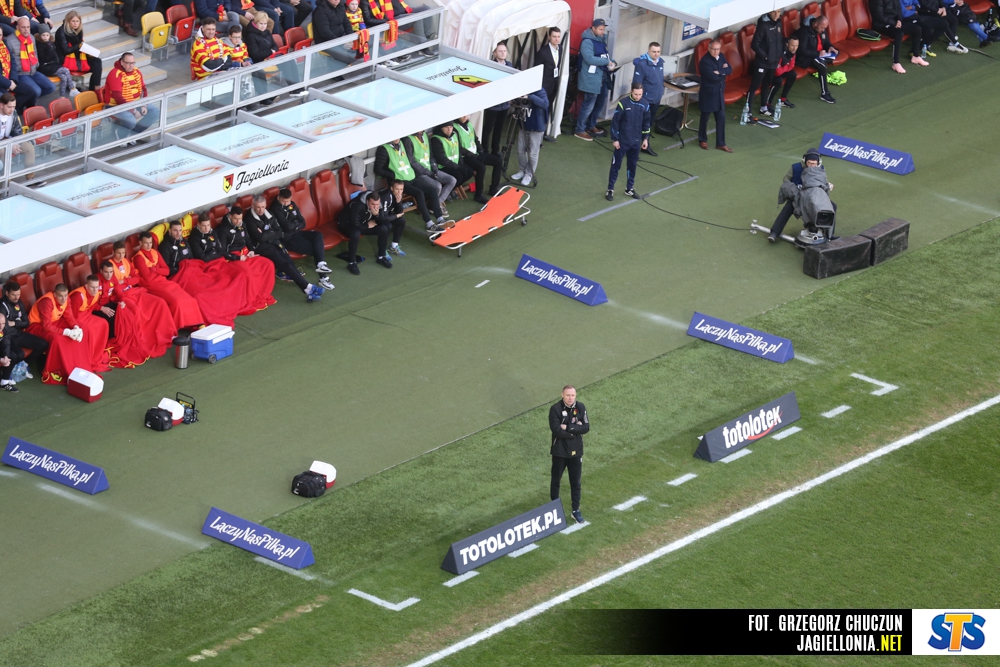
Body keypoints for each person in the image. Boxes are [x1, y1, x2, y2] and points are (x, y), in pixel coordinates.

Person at [189, 212, 277, 316]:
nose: (206, 228)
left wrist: (213, 253)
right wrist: (214, 253)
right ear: (198, 224)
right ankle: (229, 306)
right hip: (208, 266)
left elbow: (220, 250)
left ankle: (243, 301)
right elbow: (202, 257)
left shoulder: (213, 232)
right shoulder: (194, 238)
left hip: (221, 261)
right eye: (204, 226)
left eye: (208, 225)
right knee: (228, 280)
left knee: (241, 274)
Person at [97, 259, 177, 368]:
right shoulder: (96, 281)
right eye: (106, 272)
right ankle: (136, 341)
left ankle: (165, 334)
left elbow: (123, 289)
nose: (109, 274)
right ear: (101, 271)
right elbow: (92, 301)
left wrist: (123, 300)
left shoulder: (116, 273)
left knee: (155, 304)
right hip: (99, 307)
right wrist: (102, 308)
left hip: (119, 298)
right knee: (129, 312)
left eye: (111, 272)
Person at [244, 196, 327, 300]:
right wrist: (271, 233)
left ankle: (307, 290)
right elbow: (260, 238)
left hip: (275, 242)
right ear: (252, 206)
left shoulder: (268, 213)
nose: (261, 210)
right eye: (258, 207)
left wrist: (266, 233)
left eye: (263, 207)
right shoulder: (249, 220)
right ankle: (309, 287)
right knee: (286, 265)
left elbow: (279, 232)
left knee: (289, 262)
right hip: (262, 247)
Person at [133, 233, 206, 329]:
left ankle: (197, 324)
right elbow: (148, 278)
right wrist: (159, 270)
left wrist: (155, 269)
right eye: (146, 243)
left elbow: (167, 271)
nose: (149, 245)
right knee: (177, 302)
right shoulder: (139, 257)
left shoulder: (155, 252)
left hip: (164, 282)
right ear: (140, 243)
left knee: (191, 300)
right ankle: (176, 327)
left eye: (150, 243)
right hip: (151, 285)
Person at [269, 187, 336, 288]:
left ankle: (321, 264)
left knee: (318, 235)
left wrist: (294, 225)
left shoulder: (292, 204)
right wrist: (296, 224)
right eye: (284, 201)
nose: (286, 203)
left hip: (297, 233)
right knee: (316, 249)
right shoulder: (275, 209)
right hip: (288, 239)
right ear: (278, 198)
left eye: (288, 201)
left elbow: (303, 222)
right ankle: (323, 278)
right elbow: (287, 227)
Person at [26, 284, 93, 385]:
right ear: (54, 294)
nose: (63, 299)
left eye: (65, 295)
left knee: (82, 328)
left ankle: (79, 365)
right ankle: (59, 370)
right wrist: (67, 332)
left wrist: (75, 327)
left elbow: (69, 315)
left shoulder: (67, 299)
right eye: (60, 296)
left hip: (54, 321)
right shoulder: (47, 302)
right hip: (36, 326)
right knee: (58, 339)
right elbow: (46, 326)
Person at [374, 137, 445, 231]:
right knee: (419, 193)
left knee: (432, 190)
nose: (397, 138)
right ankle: (429, 224)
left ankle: (440, 218)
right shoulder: (383, 149)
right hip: (399, 182)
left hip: (411, 177)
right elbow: (378, 170)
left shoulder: (402, 143)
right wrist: (394, 175)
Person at [768, 147, 836, 242]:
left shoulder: (821, 169)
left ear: (818, 162)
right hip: (799, 197)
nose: (811, 165)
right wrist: (794, 188)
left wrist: (828, 184)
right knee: (788, 207)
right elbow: (786, 179)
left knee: (832, 206)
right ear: (805, 161)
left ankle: (829, 235)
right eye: (809, 163)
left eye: (814, 163)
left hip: (814, 197)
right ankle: (775, 232)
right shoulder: (795, 167)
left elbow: (823, 181)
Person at [549, 384, 589, 524]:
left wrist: (568, 427)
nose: (570, 398)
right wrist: (575, 430)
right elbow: (556, 430)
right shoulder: (555, 409)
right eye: (567, 395)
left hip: (576, 452)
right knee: (556, 480)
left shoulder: (581, 407)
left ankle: (575, 510)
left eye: (572, 395)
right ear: (562, 395)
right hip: (559, 452)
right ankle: (553, 508)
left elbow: (586, 427)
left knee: (576, 482)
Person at [606, 82, 649, 202]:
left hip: (636, 142)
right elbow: (615, 122)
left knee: (632, 166)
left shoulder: (645, 104)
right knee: (616, 166)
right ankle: (610, 189)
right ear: (631, 92)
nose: (638, 97)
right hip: (622, 142)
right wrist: (615, 139)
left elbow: (646, 123)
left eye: (640, 94)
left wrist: (645, 138)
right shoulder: (623, 103)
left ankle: (629, 188)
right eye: (636, 94)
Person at [574, 18, 615, 141]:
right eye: (600, 29)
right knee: (589, 104)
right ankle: (580, 129)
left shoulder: (601, 40)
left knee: (600, 103)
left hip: (602, 77)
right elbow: (589, 59)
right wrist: (607, 62)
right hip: (591, 78)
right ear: (593, 28)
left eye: (603, 29)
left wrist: (612, 62)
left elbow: (605, 56)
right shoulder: (587, 42)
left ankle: (591, 125)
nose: (603, 32)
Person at [105, 53, 160, 140]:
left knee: (155, 112)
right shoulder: (114, 74)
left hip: (135, 102)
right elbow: (117, 97)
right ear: (122, 62)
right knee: (131, 121)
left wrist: (144, 104)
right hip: (116, 106)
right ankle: (121, 135)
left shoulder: (136, 71)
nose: (131, 65)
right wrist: (133, 111)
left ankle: (133, 133)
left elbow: (143, 89)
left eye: (133, 63)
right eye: (128, 63)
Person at [336, 190, 393, 274]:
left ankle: (381, 257)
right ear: (367, 201)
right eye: (372, 204)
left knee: (383, 229)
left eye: (377, 204)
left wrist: (377, 215)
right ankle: (352, 263)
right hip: (345, 224)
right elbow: (355, 224)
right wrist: (367, 226)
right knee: (356, 233)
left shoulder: (379, 204)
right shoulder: (358, 205)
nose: (375, 207)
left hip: (362, 223)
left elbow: (381, 222)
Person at [403, 129, 455, 219]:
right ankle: (434, 206)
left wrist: (434, 167)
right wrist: (429, 173)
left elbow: (431, 155)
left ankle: (436, 203)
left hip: (430, 169)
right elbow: (411, 161)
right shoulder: (408, 139)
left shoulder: (425, 136)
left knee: (452, 180)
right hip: (419, 173)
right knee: (437, 186)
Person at [1, 279, 48, 377]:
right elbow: (4, 326)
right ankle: (9, 372)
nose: (16, 297)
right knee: (18, 354)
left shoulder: (19, 302)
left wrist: (14, 323)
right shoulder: (2, 305)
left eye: (18, 294)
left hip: (18, 333)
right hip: (8, 336)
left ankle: (24, 365)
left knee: (43, 344)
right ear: (7, 293)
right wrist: (18, 323)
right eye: (13, 295)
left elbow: (26, 323)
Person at [6, 16, 54, 111]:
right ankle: (27, 106)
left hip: (33, 71)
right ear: (17, 27)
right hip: (21, 74)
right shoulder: (9, 40)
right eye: (23, 27)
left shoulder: (31, 37)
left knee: (51, 87)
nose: (26, 29)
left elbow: (35, 53)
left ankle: (28, 102)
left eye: (28, 27)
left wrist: (36, 65)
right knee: (37, 91)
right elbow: (10, 61)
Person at [66, 275, 111, 372]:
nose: (95, 290)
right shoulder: (78, 296)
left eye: (97, 287)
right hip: (77, 318)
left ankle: (98, 353)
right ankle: (89, 356)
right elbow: (71, 315)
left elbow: (92, 305)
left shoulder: (97, 292)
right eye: (92, 287)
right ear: (86, 286)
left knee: (104, 323)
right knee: (89, 330)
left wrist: (101, 308)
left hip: (87, 315)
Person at [455, 115, 502, 203]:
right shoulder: (454, 128)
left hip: (476, 154)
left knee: (498, 161)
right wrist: (473, 155)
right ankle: (478, 194)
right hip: (465, 157)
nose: (465, 117)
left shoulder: (469, 124)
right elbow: (458, 148)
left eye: (466, 114)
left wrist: (480, 150)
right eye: (462, 115)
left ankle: (494, 189)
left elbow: (475, 139)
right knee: (481, 167)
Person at [869, 0, 928, 71]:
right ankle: (896, 63)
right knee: (899, 33)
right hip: (881, 25)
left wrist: (899, 20)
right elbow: (879, 16)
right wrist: (894, 23)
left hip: (894, 22)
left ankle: (916, 56)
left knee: (917, 29)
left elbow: (899, 9)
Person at [481, 42, 515, 157]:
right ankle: (485, 150)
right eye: (500, 51)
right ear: (495, 53)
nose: (503, 53)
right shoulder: (490, 66)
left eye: (504, 51)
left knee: (499, 128)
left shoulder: (509, 65)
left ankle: (495, 150)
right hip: (493, 104)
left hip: (504, 104)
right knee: (488, 128)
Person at [697, 39, 731, 153]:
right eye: (714, 49)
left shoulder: (721, 56)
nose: (716, 51)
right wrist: (723, 72)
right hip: (708, 94)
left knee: (721, 118)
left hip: (719, 93)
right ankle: (702, 140)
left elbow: (729, 69)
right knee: (704, 118)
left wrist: (719, 71)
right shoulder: (705, 61)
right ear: (709, 49)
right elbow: (713, 77)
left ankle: (721, 143)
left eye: (718, 49)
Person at [509, 88, 548, 188]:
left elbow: (545, 104)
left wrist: (529, 97)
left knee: (533, 153)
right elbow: (516, 104)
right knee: (520, 151)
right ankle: (522, 170)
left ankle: (529, 174)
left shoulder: (540, 91)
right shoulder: (522, 89)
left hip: (537, 128)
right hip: (523, 125)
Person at [747, 11, 782, 119]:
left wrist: (779, 55)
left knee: (766, 84)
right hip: (762, 63)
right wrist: (765, 56)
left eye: (779, 11)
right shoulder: (763, 25)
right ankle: (748, 112)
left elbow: (779, 41)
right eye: (774, 12)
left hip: (773, 62)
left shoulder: (779, 23)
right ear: (769, 12)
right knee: (754, 86)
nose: (776, 14)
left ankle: (763, 108)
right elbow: (754, 44)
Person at [795, 16, 838, 104]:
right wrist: (817, 54)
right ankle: (825, 93)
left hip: (820, 55)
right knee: (821, 64)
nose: (823, 30)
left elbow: (826, 42)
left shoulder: (821, 30)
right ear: (815, 24)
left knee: (836, 52)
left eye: (824, 28)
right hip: (805, 58)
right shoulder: (804, 32)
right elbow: (801, 51)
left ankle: (823, 60)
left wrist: (830, 47)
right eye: (822, 27)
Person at [631, 41, 664, 156]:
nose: (656, 54)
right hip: (645, 100)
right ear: (648, 51)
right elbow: (637, 83)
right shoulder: (642, 64)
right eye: (654, 52)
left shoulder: (660, 62)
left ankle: (645, 145)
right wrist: (638, 99)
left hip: (656, 99)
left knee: (648, 124)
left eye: (658, 52)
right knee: (638, 124)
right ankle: (633, 149)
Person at [55, 10, 102, 91]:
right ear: (68, 21)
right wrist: (79, 46)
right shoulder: (61, 31)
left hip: (78, 55)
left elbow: (80, 46)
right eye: (73, 21)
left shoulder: (79, 30)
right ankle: (95, 90)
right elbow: (65, 50)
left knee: (97, 62)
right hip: (66, 58)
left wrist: (89, 51)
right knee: (95, 67)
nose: (75, 23)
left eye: (77, 21)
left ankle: (95, 88)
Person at [431, 121, 474, 201]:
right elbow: (441, 159)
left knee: (469, 172)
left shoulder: (454, 135)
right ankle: (446, 191)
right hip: (443, 166)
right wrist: (458, 167)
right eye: (446, 127)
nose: (449, 130)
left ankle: (451, 189)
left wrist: (461, 164)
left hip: (455, 164)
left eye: (451, 127)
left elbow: (458, 151)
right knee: (459, 176)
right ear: (441, 128)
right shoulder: (436, 139)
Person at [534, 26, 562, 142]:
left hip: (554, 84)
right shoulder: (543, 52)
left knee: (549, 108)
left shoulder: (560, 48)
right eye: (554, 36)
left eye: (558, 36)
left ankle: (544, 133)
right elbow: (536, 70)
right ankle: (538, 133)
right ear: (549, 37)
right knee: (541, 109)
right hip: (544, 86)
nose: (557, 39)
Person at [0, 92, 35, 177]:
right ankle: (6, 181)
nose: (12, 110)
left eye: (14, 107)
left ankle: (30, 179)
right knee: (5, 152)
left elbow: (18, 131)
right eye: (9, 107)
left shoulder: (13, 113)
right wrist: (10, 146)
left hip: (9, 141)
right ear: (1, 105)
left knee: (30, 148)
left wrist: (16, 144)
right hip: (2, 144)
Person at [33, 25, 72, 98]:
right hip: (45, 67)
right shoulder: (39, 45)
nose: (45, 37)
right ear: (40, 36)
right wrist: (49, 49)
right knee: (66, 70)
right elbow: (45, 58)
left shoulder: (51, 43)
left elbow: (56, 55)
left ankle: (62, 96)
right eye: (43, 35)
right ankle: (72, 89)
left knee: (64, 77)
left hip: (54, 65)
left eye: (47, 35)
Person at [763, 36, 799, 114]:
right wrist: (786, 65)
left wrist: (785, 67)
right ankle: (767, 103)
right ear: (787, 44)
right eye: (792, 45)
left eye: (796, 46)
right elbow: (777, 72)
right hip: (768, 72)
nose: (794, 48)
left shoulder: (793, 52)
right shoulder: (779, 52)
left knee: (793, 74)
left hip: (780, 70)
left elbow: (792, 66)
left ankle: (783, 99)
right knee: (778, 80)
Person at [378, 180, 407, 256]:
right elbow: (383, 217)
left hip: (386, 215)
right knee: (388, 226)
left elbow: (399, 212)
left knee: (401, 221)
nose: (399, 192)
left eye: (401, 189)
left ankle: (393, 246)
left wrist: (398, 202)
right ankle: (382, 251)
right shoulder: (384, 196)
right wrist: (395, 216)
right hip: (377, 217)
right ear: (391, 188)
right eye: (397, 189)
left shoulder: (397, 195)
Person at [0, 312, 16, 391]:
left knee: (12, 356)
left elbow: (6, 342)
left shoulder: (4, 328)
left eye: (3, 323)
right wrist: (0, 360)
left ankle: (4, 382)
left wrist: (6, 356)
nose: (1, 326)